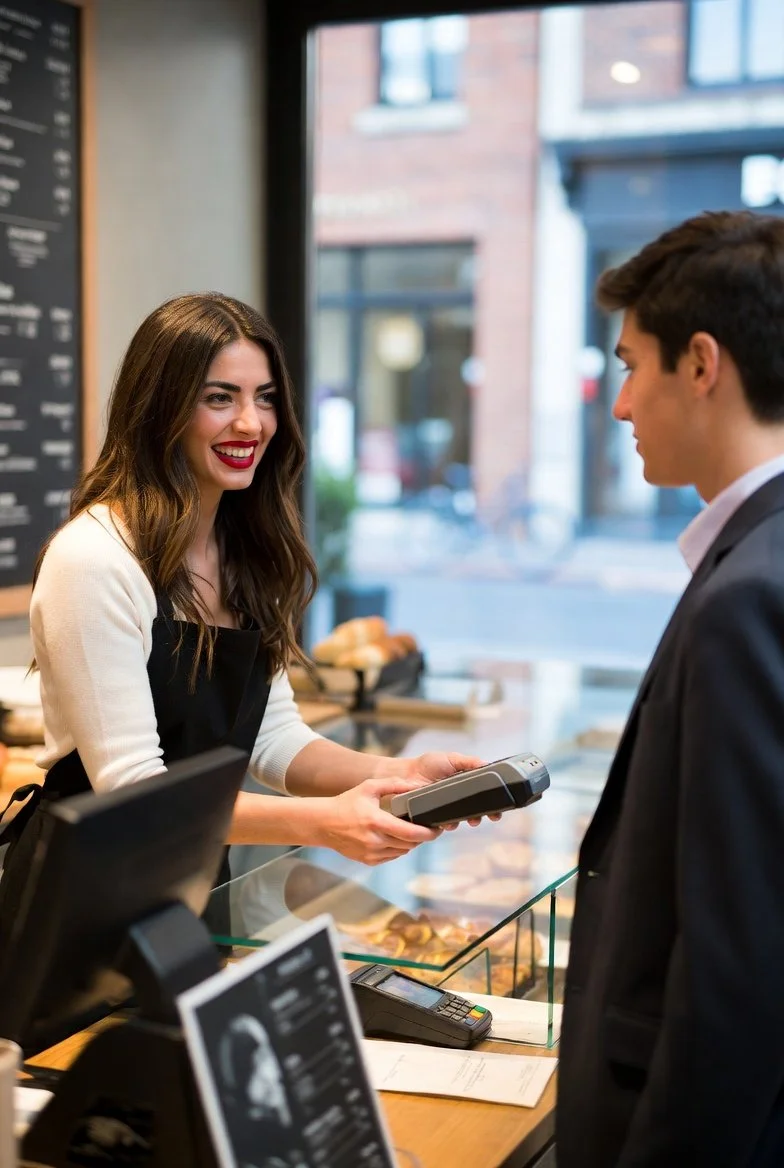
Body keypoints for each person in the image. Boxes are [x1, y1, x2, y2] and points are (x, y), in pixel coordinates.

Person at [0, 293, 485, 936]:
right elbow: (134, 791)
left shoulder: (241, 551)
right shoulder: (94, 557)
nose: (251, 424)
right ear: (160, 408)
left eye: (265, 398)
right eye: (219, 398)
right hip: (84, 905)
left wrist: (396, 775)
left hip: (187, 888)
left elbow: (273, 738)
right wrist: (324, 823)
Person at [556, 210, 784, 1168]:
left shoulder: (751, 595)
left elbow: (736, 968)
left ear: (700, 363)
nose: (619, 405)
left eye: (627, 366)